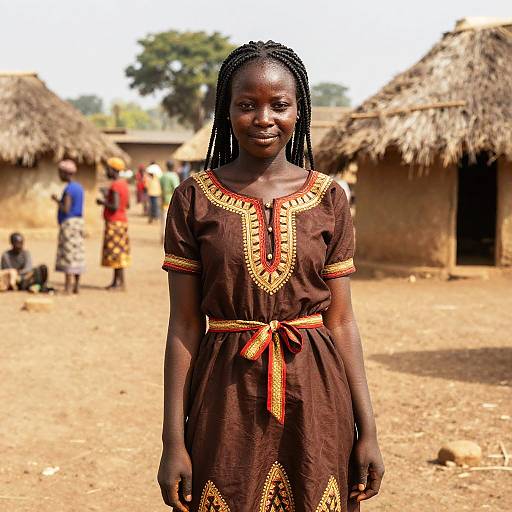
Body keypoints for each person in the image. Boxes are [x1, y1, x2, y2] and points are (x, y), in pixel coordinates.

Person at [158, 41, 384, 512]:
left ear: (299, 110)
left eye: (279, 105)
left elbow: (341, 320)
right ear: (226, 112)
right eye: (247, 105)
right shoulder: (193, 199)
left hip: (317, 394)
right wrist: (172, 442)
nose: (264, 118)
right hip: (225, 396)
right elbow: (183, 325)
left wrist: (369, 431)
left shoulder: (328, 198)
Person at [51, 159, 85, 294]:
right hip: (78, 223)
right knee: (77, 254)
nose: (59, 175)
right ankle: (76, 286)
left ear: (65, 173)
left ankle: (68, 287)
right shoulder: (79, 188)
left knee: (68, 255)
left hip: (69, 224)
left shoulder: (69, 189)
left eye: (60, 173)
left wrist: (56, 201)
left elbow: (66, 208)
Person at [97, 157, 131, 290]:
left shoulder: (116, 185)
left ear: (113, 170)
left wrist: (103, 202)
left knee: (116, 254)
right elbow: (126, 204)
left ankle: (120, 284)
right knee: (118, 253)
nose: (106, 171)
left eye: (107, 169)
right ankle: (116, 282)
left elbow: (115, 206)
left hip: (115, 223)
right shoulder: (124, 184)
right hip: (121, 221)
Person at [160, 160, 181, 241]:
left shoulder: (163, 176)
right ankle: (168, 237)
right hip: (171, 199)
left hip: (163, 198)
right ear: (173, 166)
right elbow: (177, 188)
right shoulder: (174, 176)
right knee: (171, 219)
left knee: (163, 218)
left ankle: (162, 236)